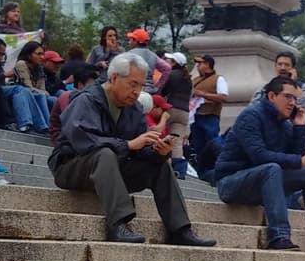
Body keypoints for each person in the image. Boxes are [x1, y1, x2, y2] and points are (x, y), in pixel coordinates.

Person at [49, 53, 216, 247]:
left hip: (111, 169)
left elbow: (141, 148)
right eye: (132, 84)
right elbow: (83, 141)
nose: (136, 92)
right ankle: (118, 224)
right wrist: (128, 145)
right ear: (114, 78)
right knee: (104, 153)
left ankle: (180, 229)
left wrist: (159, 151)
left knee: (160, 166)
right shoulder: (85, 100)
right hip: (71, 167)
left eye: (141, 86)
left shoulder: (134, 108)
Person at [214, 72, 305, 254]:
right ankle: (278, 236)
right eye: (288, 97)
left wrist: (299, 127)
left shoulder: (285, 123)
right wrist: (299, 160)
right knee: (271, 168)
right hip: (231, 183)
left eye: (295, 99)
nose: (292, 103)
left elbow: (294, 159)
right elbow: (259, 156)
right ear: (272, 96)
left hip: (264, 183)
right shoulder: (251, 116)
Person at [155, 52, 191, 178]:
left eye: (168, 60)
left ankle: (162, 166)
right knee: (177, 142)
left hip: (170, 109)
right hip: (184, 112)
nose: (165, 61)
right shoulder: (188, 78)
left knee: (161, 135)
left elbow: (161, 91)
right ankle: (179, 171)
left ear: (174, 62)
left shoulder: (171, 74)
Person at [188, 54, 228, 159]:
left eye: (200, 63)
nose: (197, 66)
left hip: (210, 116)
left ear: (207, 64)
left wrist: (203, 94)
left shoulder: (218, 79)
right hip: (195, 116)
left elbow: (223, 97)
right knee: (198, 146)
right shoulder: (195, 80)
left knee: (212, 144)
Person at [9, 40, 54, 131]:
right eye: (39, 54)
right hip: (23, 94)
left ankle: (56, 128)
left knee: (54, 99)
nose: (42, 57)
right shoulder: (21, 64)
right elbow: (28, 87)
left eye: (43, 54)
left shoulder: (39, 68)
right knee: (41, 96)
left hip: (36, 94)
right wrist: (42, 92)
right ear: (29, 55)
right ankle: (46, 127)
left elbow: (43, 89)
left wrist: (43, 92)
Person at [49, 62, 95, 141]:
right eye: (90, 85)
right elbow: (68, 120)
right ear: (80, 84)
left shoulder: (88, 98)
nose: (93, 89)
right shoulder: (67, 96)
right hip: (61, 136)